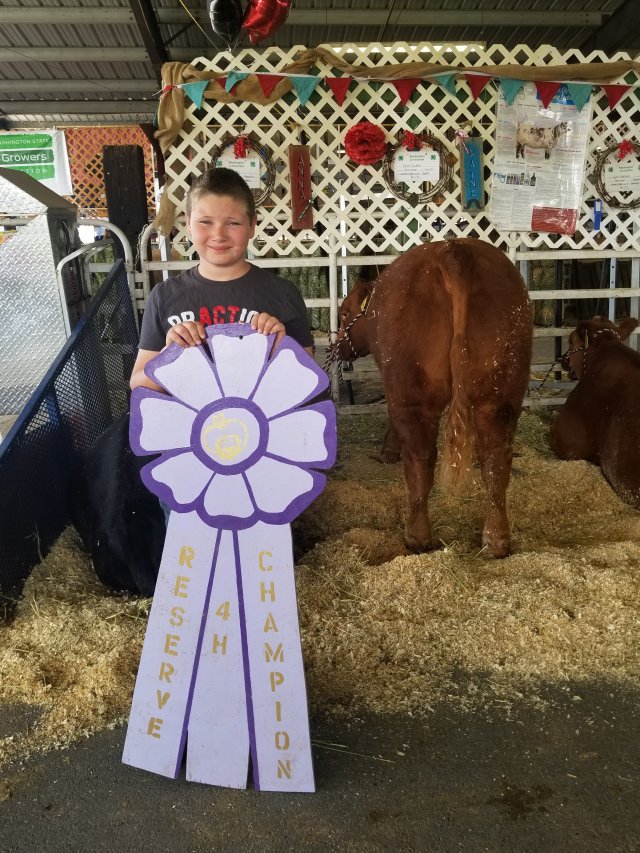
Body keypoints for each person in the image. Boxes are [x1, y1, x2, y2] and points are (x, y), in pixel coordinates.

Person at [130, 167, 314, 392]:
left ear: (252, 226)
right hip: (188, 415)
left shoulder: (283, 294)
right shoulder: (164, 296)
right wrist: (169, 356)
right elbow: (137, 384)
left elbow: (310, 383)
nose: (218, 235)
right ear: (188, 223)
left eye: (233, 223)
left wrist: (281, 351)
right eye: (205, 222)